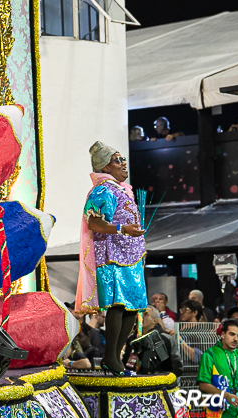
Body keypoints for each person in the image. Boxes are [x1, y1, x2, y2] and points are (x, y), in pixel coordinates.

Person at [75, 141, 146, 376]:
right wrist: (123, 229)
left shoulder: (123, 189)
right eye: (117, 160)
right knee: (117, 305)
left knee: (132, 307)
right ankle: (110, 358)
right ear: (105, 167)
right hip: (112, 256)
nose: (123, 163)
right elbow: (93, 222)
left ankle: (115, 356)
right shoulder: (103, 189)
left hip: (131, 256)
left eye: (123, 159)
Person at [122, 305, 183, 376]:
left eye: (145, 314)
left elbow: (177, 365)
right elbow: (125, 361)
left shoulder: (165, 338)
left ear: (154, 320)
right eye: (139, 313)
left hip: (160, 381)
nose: (141, 316)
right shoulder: (131, 338)